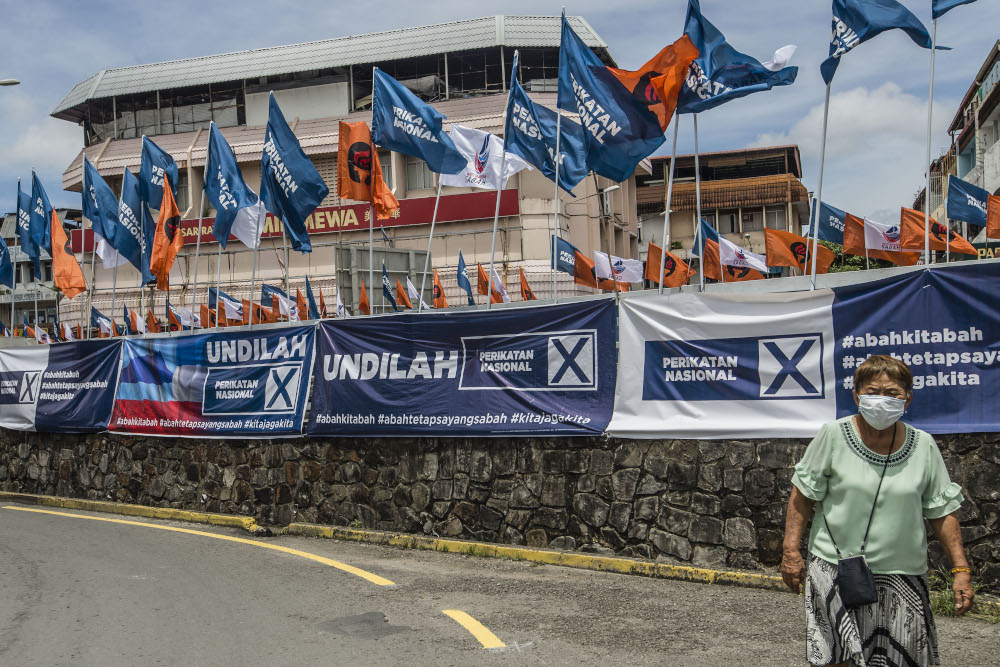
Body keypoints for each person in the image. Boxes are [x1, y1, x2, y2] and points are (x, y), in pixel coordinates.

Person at [781, 355, 973, 667]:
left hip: (903, 575)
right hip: (835, 568)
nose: (881, 399)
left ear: (908, 399)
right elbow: (802, 495)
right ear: (856, 396)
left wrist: (961, 570)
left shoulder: (923, 445)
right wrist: (790, 550)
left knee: (902, 656)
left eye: (893, 393)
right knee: (838, 657)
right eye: (872, 391)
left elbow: (941, 510)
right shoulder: (832, 435)